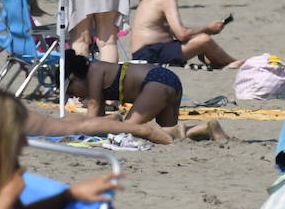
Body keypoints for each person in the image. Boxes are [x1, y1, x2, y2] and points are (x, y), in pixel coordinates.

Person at [61, 50, 227, 142]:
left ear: (74, 77)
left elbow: (93, 112)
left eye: (70, 89)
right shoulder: (98, 71)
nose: (73, 95)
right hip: (167, 80)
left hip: (155, 83)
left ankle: (203, 129)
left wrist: (78, 129)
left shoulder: (95, 70)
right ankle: (207, 128)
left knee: (128, 129)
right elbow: (98, 119)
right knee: (168, 135)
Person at [129, 0, 242, 69]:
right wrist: (208, 29)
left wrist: (204, 32)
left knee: (199, 38)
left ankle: (219, 60)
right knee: (204, 39)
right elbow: (181, 35)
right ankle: (232, 63)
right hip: (149, 54)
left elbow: (176, 32)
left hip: (151, 51)